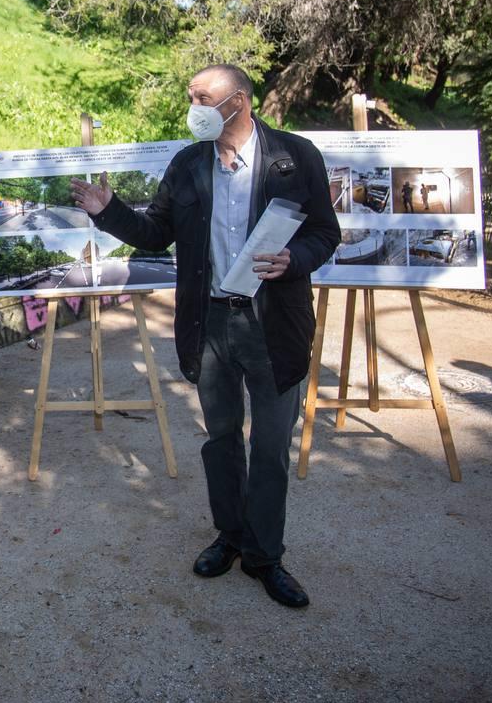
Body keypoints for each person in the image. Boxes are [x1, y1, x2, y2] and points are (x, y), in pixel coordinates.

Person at [71, 64, 340, 608]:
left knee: (269, 446)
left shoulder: (294, 157)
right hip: (210, 322)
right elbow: (156, 234)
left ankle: (266, 556)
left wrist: (294, 261)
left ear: (238, 101)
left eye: (203, 97)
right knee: (220, 440)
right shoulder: (188, 163)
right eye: (190, 95)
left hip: (275, 325)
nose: (192, 105)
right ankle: (230, 536)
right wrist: (110, 213)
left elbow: (324, 232)